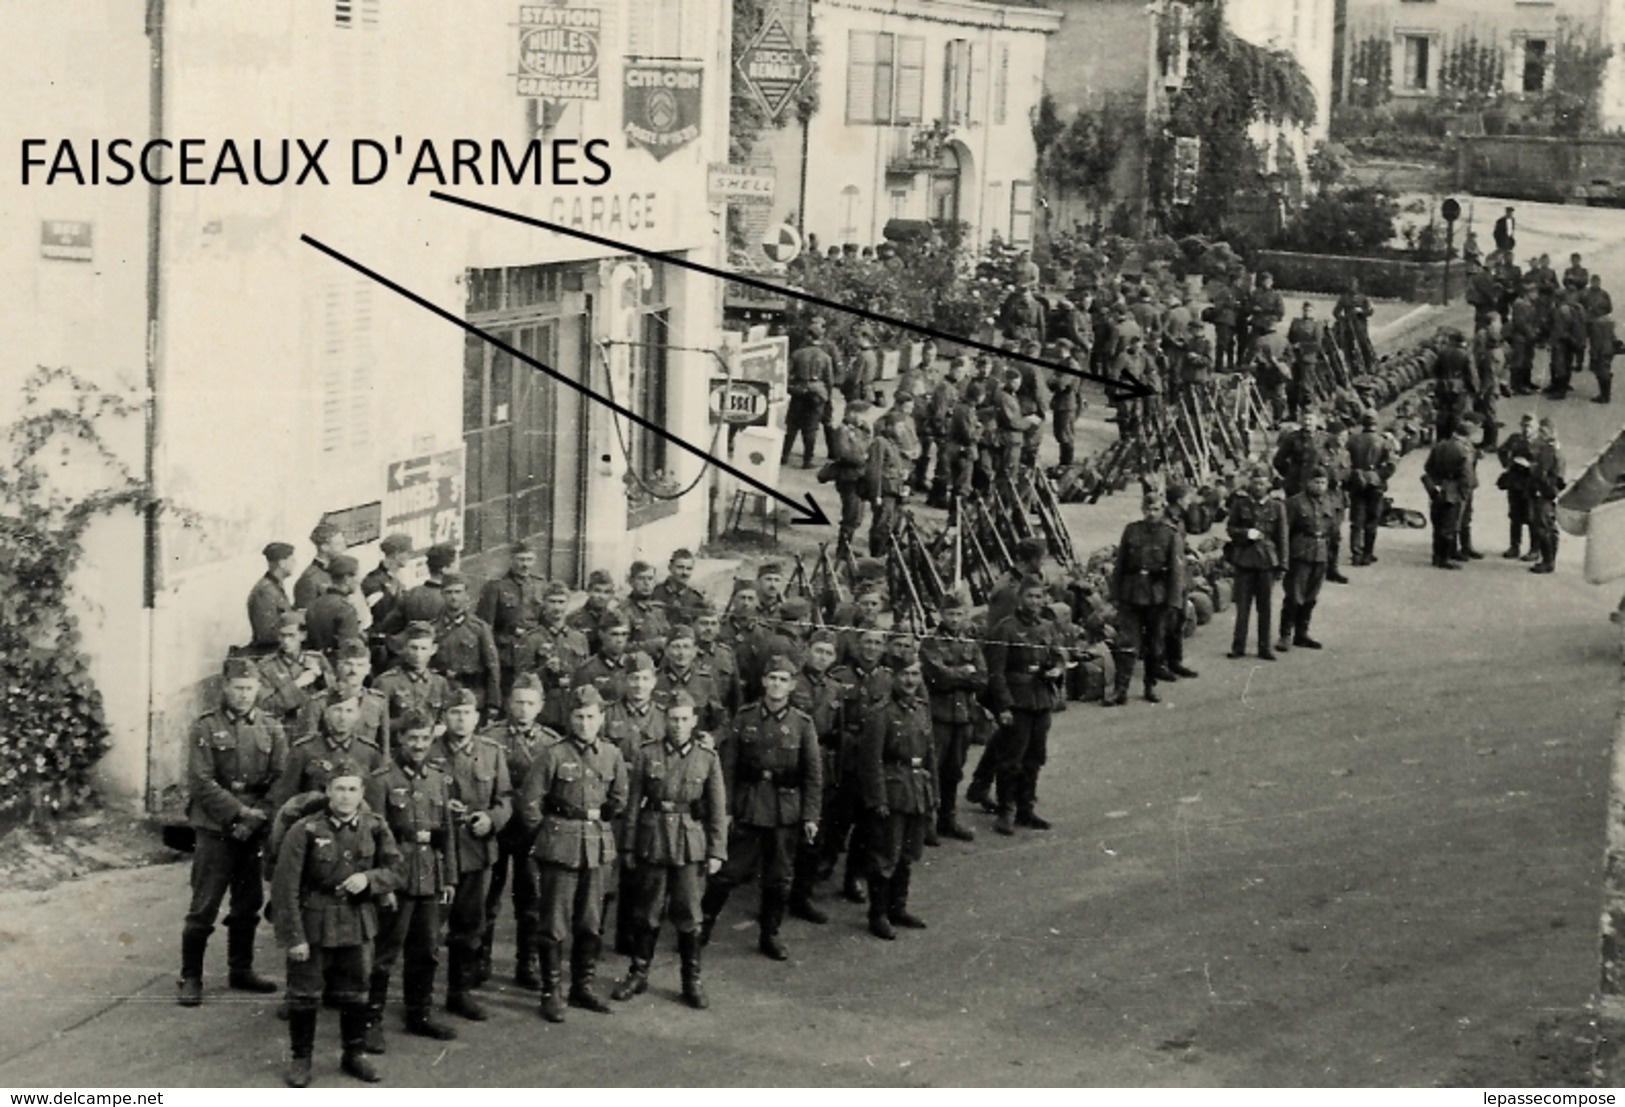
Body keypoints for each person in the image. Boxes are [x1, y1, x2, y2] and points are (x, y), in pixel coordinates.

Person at [271, 757, 403, 1087]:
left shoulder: (375, 826)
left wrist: (370, 879)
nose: (346, 796)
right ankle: (302, 1059)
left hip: (358, 922)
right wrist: (294, 938)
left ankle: (354, 1054)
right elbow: (285, 887)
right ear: (328, 791)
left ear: (362, 793)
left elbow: (397, 870)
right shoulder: (306, 830)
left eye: (353, 789)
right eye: (339, 789)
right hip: (314, 921)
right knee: (305, 993)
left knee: (356, 991)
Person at [177, 656, 289, 1008]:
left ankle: (241, 970)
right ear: (225, 687)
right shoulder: (205, 727)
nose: (243, 695)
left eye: (250, 688)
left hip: (254, 828)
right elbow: (200, 781)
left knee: (248, 902)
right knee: (204, 904)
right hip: (216, 827)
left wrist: (257, 818)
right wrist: (239, 813)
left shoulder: (271, 728)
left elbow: (281, 779)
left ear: (259, 689)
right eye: (238, 688)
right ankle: (190, 976)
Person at [700, 655, 822, 961]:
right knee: (727, 873)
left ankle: (770, 933)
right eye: (772, 678)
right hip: (749, 806)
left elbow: (812, 774)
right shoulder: (745, 717)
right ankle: (701, 927)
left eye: (783, 679)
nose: (777, 685)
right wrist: (725, 809)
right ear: (764, 681)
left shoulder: (802, 724)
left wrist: (810, 815)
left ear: (792, 685)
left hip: (784, 811)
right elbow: (727, 768)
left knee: (779, 878)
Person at [519, 684, 629, 1022]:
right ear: (570, 718)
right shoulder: (553, 754)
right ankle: (551, 991)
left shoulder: (612, 754)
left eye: (591, 717)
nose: (585, 723)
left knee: (591, 922)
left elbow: (620, 797)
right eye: (579, 717)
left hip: (597, 846)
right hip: (560, 846)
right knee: (553, 922)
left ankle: (583, 986)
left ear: (602, 718)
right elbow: (529, 803)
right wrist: (550, 834)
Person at [610, 690, 726, 1009]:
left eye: (684, 719)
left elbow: (717, 809)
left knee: (689, 913)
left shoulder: (707, 757)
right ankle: (638, 973)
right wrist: (629, 846)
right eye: (673, 718)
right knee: (646, 912)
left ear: (694, 720)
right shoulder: (648, 753)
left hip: (689, 845)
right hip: (654, 839)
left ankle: (692, 980)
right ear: (665, 719)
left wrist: (717, 851)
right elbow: (633, 805)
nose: (677, 725)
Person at [361, 710, 458, 1053]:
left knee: (427, 949)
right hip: (397, 875)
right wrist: (381, 885)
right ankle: (370, 1019)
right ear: (400, 739)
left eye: (424, 738)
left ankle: (420, 1013)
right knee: (385, 951)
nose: (419, 745)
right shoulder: (381, 780)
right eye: (412, 738)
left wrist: (449, 879)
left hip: (429, 875)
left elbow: (445, 832)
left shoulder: (437, 778)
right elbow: (371, 838)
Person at [431, 688, 513, 1018]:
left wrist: (491, 819)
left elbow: (506, 798)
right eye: (454, 712)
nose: (460, 718)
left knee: (469, 926)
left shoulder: (491, 752)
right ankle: (419, 997)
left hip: (476, 850)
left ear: (477, 717)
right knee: (428, 929)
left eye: (466, 712)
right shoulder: (429, 750)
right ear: (444, 717)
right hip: (436, 854)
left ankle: (459, 992)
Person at [480, 673, 560, 991]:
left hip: (531, 829)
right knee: (489, 896)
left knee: (530, 900)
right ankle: (480, 959)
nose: (523, 709)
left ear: (540, 706)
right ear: (509, 704)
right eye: (518, 702)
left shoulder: (550, 742)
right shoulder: (490, 736)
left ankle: (526, 963)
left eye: (530, 703)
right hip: (497, 827)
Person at [857, 655, 935, 941]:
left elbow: (930, 755)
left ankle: (897, 908)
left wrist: (933, 795)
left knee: (908, 854)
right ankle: (877, 914)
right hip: (892, 790)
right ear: (893, 677)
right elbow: (871, 760)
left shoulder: (922, 709)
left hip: (916, 789)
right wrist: (878, 799)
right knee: (885, 855)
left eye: (915, 674)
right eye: (905, 675)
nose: (910, 681)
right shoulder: (882, 713)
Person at [983, 577, 1066, 835]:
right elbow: (996, 673)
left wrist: (1057, 670)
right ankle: (1005, 811)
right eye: (1029, 596)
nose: (1034, 602)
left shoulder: (1047, 627)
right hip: (1017, 702)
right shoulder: (1006, 629)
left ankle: (1025, 809)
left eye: (1039, 597)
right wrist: (1004, 707)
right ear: (1019, 599)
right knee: (1012, 759)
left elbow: (1057, 657)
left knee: (1035, 757)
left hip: (1041, 700)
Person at [786, 630, 846, 920]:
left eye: (828, 653)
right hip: (791, 760)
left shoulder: (835, 687)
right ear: (807, 650)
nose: (822, 657)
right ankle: (776, 895)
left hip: (821, 763)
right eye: (818, 650)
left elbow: (838, 732)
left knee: (813, 835)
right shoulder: (790, 681)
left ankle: (802, 896)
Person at [1108, 488, 1186, 705]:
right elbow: (1120, 564)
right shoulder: (1131, 531)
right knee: (1127, 642)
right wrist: (1115, 595)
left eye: (1156, 508)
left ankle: (1150, 686)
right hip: (1131, 594)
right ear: (1142, 509)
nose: (1152, 513)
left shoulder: (1170, 534)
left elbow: (1176, 571)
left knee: (1155, 645)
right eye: (1148, 508)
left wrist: (1174, 602)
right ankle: (1120, 689)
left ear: (1163, 510)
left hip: (1157, 597)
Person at [919, 593, 986, 843]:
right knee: (932, 769)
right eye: (950, 614)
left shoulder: (971, 643)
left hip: (964, 716)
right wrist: (964, 673)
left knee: (954, 771)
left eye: (959, 614)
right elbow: (938, 676)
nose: (955, 619)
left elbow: (982, 678)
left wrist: (956, 675)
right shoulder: (931, 642)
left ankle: (948, 819)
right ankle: (926, 823)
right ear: (940, 614)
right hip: (939, 717)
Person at [271, 693, 386, 817]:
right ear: (326, 713)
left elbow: (376, 804)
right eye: (337, 710)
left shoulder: (369, 751)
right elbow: (284, 798)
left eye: (349, 711)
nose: (342, 717)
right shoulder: (304, 749)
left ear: (358, 714)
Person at [1226, 465, 1288, 660]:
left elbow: (1282, 537)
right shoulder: (1240, 504)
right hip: (1244, 561)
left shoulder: (1277, 507)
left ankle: (1264, 648)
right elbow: (1230, 529)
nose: (1258, 486)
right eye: (1255, 482)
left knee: (1265, 607)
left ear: (1269, 484)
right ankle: (1238, 647)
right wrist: (1245, 533)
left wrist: (1283, 565)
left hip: (1266, 562)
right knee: (1242, 607)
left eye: (1262, 482)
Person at [513, 580, 592, 733]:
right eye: (552, 602)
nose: (557, 607)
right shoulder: (532, 638)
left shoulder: (579, 638)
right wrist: (545, 671)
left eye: (561, 602)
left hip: (573, 709)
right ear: (543, 604)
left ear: (568, 604)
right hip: (547, 711)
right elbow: (522, 679)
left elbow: (584, 675)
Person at [1278, 467, 1338, 652]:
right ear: (1307, 483)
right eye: (1316, 482)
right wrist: (1284, 558)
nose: (1320, 486)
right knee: (1295, 596)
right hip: (1300, 553)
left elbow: (1333, 530)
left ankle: (1301, 633)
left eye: (1323, 483)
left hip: (1320, 553)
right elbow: (1284, 531)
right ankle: (1285, 634)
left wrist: (1331, 557)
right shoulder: (1295, 503)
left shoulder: (1329, 502)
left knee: (1311, 596)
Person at [476, 541, 545, 701]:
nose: (525, 565)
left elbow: (544, 621)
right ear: (511, 560)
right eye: (521, 559)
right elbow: (485, 626)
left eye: (529, 560)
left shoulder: (540, 584)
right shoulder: (496, 586)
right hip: (507, 655)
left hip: (533, 653)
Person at [432, 574, 501, 716]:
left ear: (466, 595)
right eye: (449, 592)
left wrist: (493, 703)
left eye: (458, 592)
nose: (453, 597)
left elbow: (492, 666)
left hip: (473, 695)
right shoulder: (432, 628)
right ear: (442, 595)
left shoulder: (479, 628)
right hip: (441, 696)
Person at [256, 612, 336, 728]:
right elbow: (265, 706)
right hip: (285, 728)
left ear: (303, 636)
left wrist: (321, 678)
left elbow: (335, 697)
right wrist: (297, 684)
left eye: (291, 635)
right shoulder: (267, 667)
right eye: (282, 636)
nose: (286, 641)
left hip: (317, 728)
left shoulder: (317, 659)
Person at [372, 621, 455, 725]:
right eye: (413, 648)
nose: (418, 654)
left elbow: (446, 719)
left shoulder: (440, 684)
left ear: (433, 649)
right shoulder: (386, 683)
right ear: (405, 647)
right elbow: (375, 724)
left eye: (423, 648)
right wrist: (402, 722)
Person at [1423, 419, 1475, 569]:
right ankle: (1444, 558)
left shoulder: (1440, 445)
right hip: (1453, 490)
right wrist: (1464, 493)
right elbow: (1467, 475)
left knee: (1437, 524)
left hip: (1437, 487)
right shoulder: (1463, 450)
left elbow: (1428, 466)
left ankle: (1436, 556)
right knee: (1449, 525)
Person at [1345, 411, 1395, 566]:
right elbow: (1391, 465)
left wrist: (1354, 476)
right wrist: (1378, 476)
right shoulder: (1383, 441)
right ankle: (1368, 553)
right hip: (1376, 485)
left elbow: (1346, 462)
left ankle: (1356, 553)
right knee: (1372, 519)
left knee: (1357, 520)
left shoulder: (1352, 440)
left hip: (1357, 482)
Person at [784, 317, 835, 468]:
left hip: (798, 391)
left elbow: (785, 372)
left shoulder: (797, 354)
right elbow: (830, 380)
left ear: (808, 336)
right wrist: (827, 397)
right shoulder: (826, 357)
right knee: (811, 429)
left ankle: (784, 455)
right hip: (818, 395)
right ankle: (808, 460)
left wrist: (790, 386)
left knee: (792, 426)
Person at [830, 401, 876, 557]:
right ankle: (842, 550)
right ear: (851, 413)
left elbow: (870, 448)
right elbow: (842, 453)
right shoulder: (842, 431)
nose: (865, 418)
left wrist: (869, 434)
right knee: (850, 515)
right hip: (849, 478)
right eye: (863, 414)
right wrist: (864, 458)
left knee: (858, 516)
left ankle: (847, 547)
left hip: (861, 478)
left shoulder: (862, 430)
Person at [361, 534, 413, 671]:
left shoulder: (397, 578)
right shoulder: (373, 582)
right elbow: (381, 612)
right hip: (382, 645)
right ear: (396, 554)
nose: (410, 556)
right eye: (407, 552)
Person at [304, 555, 364, 662]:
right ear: (347, 579)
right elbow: (349, 650)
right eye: (357, 576)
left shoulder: (314, 604)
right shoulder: (345, 609)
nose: (359, 580)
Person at [867, 410, 910, 558]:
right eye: (899, 427)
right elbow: (875, 469)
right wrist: (876, 494)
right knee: (882, 527)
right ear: (889, 427)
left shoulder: (893, 444)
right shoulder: (879, 442)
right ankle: (876, 557)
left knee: (893, 527)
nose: (902, 430)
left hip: (894, 493)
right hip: (884, 493)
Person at [1498, 413, 1540, 561]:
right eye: (1523, 426)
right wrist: (1508, 463)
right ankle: (1514, 546)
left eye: (1529, 426)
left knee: (1532, 517)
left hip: (1531, 484)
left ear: (1536, 427)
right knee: (1515, 515)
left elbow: (1547, 463)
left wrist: (1531, 466)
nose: (1526, 429)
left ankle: (1535, 549)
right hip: (1515, 482)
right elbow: (1502, 450)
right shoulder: (1515, 439)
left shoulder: (1540, 442)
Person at [1528, 417, 1565, 574]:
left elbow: (1543, 472)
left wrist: (1532, 469)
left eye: (1543, 431)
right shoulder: (1553, 448)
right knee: (1549, 526)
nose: (1540, 435)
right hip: (1551, 490)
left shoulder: (1548, 450)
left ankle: (1548, 561)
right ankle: (1549, 559)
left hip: (1544, 491)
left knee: (1543, 526)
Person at [247, 542, 297, 657]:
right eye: (292, 560)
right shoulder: (264, 592)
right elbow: (265, 633)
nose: (295, 563)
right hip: (269, 656)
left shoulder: (274, 587)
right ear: (282, 563)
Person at [1321, 421, 1353, 584]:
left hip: (1338, 498)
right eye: (1340, 436)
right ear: (1331, 436)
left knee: (1336, 536)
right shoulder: (1320, 453)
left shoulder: (1345, 454)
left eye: (1345, 436)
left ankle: (1332, 569)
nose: (1343, 439)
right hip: (1323, 497)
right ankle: (1320, 568)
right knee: (1322, 535)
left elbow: (1347, 475)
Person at [622, 560, 672, 660]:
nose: (646, 583)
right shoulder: (624, 610)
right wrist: (653, 645)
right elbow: (620, 646)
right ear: (631, 581)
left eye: (650, 579)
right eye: (641, 578)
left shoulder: (658, 609)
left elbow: (668, 635)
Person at [293, 521, 347, 610]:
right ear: (324, 547)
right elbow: (306, 616)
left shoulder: (339, 570)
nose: (344, 548)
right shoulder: (310, 579)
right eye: (338, 544)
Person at [1548, 290, 1588, 399]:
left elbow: (1559, 328)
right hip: (1573, 340)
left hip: (1561, 341)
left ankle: (1560, 390)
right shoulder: (1577, 308)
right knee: (1567, 363)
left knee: (1559, 365)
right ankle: (1563, 386)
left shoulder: (1561, 310)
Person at [652, 548, 707, 623]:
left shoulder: (696, 598)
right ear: (670, 568)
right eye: (680, 567)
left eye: (689, 569)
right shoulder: (655, 592)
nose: (685, 573)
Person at [1585, 275, 1616, 404]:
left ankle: (1604, 396)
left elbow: (1596, 342)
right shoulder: (1609, 322)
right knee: (1605, 371)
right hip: (1608, 350)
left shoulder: (1596, 324)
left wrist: (1594, 354)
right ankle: (1605, 394)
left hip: (1601, 351)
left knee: (1601, 372)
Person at [1508, 285, 1538, 395]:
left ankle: (1526, 382)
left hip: (1528, 337)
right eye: (1534, 292)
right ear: (1527, 293)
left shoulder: (1530, 304)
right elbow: (1521, 323)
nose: (1536, 295)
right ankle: (1517, 385)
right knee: (1519, 361)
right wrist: (1531, 334)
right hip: (1520, 337)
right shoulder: (1520, 305)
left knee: (1527, 360)